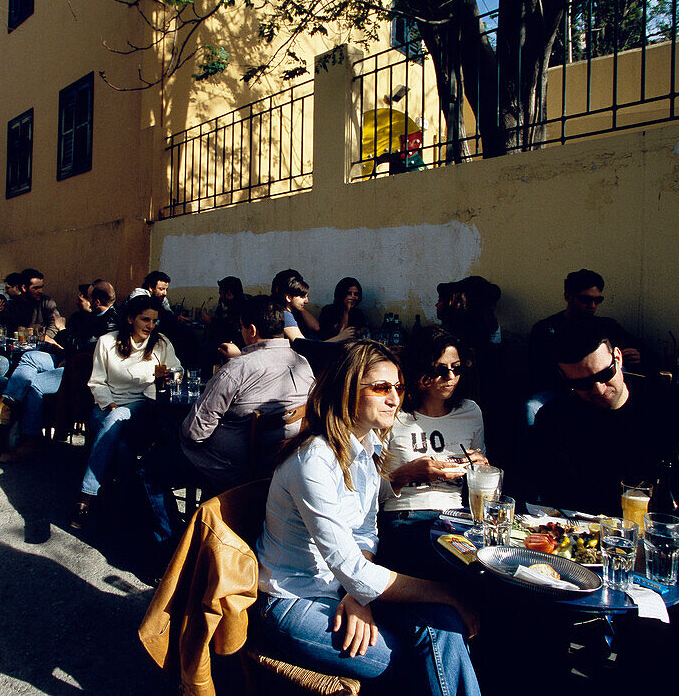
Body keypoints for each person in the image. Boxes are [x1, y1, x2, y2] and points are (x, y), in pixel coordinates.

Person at [255, 340, 480, 694]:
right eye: (381, 388)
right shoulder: (315, 461)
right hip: (295, 601)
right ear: (346, 389)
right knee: (422, 656)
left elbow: (363, 532)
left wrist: (356, 594)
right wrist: (447, 592)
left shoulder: (366, 448)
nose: (395, 398)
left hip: (340, 589)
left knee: (445, 625)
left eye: (399, 388)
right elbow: (354, 568)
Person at [528, 320, 679, 548]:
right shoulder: (555, 418)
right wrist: (663, 518)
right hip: (604, 534)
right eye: (583, 383)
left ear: (618, 358)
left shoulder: (670, 402)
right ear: (563, 377)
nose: (599, 389)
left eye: (605, 374)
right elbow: (567, 496)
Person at [376, 327, 489, 577]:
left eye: (457, 368)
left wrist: (480, 468)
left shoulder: (470, 411)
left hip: (456, 516)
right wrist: (405, 474)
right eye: (440, 370)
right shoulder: (395, 414)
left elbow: (480, 483)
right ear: (419, 370)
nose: (450, 377)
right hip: (405, 513)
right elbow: (368, 491)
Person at [71, 295, 181, 529]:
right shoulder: (107, 342)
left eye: (154, 321)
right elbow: (97, 382)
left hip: (141, 406)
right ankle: (123, 507)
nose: (150, 326)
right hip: (106, 406)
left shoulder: (160, 343)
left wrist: (170, 376)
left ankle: (86, 495)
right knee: (122, 446)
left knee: (121, 417)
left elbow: (178, 370)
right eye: (145, 320)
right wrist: (111, 406)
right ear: (130, 318)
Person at [183, 296, 315, 490]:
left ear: (252, 330)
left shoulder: (236, 369)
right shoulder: (302, 363)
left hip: (233, 468)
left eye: (241, 328)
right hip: (284, 462)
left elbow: (195, 432)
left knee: (150, 466)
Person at [526, 269, 640, 425]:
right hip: (560, 390)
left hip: (606, 393)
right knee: (532, 407)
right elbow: (535, 370)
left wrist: (636, 356)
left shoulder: (607, 326)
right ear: (568, 297)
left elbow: (646, 355)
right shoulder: (546, 329)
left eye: (597, 300)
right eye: (585, 299)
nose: (592, 305)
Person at [0, 268, 61, 336]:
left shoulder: (46, 302)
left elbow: (54, 324)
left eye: (41, 287)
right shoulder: (11, 305)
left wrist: (45, 338)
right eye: (35, 288)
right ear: (24, 288)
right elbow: (8, 328)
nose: (40, 291)